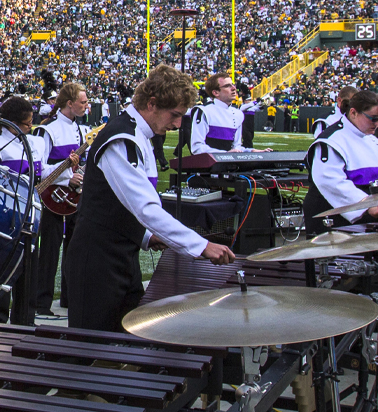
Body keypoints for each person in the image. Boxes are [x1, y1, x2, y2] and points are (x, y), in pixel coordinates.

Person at [63, 65, 237, 334]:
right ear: (152, 104)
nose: (178, 125)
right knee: (92, 353)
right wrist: (201, 245)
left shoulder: (140, 135)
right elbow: (145, 207)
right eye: (175, 115)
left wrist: (146, 237)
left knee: (127, 345)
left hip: (123, 254)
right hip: (97, 261)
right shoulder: (121, 138)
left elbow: (120, 203)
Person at [0, 96, 44, 326]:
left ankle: (25, 320)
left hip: (31, 215)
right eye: (27, 124)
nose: (31, 127)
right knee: (2, 268)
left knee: (29, 271)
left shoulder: (33, 143)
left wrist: (67, 170)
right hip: (5, 216)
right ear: (12, 123)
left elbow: (43, 173)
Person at [306, 90, 378, 230]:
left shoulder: (376, 143)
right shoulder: (331, 140)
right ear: (354, 113)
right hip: (333, 220)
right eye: (373, 118)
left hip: (368, 218)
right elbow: (330, 181)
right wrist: (366, 204)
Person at [34, 80, 88, 320]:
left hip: (76, 198)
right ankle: (41, 301)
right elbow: (41, 170)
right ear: (70, 103)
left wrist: (81, 175)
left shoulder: (84, 130)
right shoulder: (48, 130)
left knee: (76, 248)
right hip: (53, 197)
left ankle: (70, 297)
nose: (88, 105)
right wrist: (68, 177)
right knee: (49, 250)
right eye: (83, 102)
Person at [185, 73, 255, 154]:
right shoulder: (204, 111)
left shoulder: (238, 114)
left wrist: (251, 151)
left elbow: (236, 147)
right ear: (215, 92)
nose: (233, 88)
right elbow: (197, 148)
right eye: (227, 86)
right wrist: (225, 154)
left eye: (233, 85)